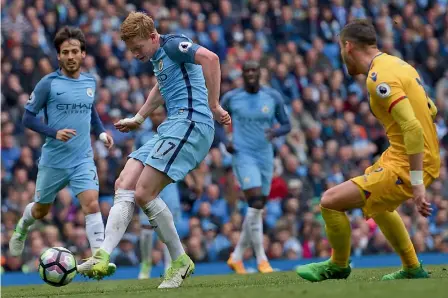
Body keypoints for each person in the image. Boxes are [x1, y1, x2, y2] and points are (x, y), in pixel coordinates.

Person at [77, 12, 231, 289]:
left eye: (138, 48)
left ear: (152, 36)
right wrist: (139, 117)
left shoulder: (173, 45)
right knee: (124, 182)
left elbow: (211, 58)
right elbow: (162, 87)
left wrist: (215, 104)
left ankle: (180, 261)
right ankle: (102, 254)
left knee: (144, 193)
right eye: (131, 49)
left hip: (192, 123)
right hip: (173, 125)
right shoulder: (159, 57)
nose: (135, 54)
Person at [296, 19, 440, 282]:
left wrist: (418, 182)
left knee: (329, 202)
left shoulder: (378, 78)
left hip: (408, 160)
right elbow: (431, 109)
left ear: (349, 46)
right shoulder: (397, 64)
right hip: (403, 153)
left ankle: (338, 265)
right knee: (378, 205)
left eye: (341, 48)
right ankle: (412, 268)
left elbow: (413, 128)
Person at [8, 26, 116, 276]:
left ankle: (99, 258)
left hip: (82, 158)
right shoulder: (49, 83)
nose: (70, 56)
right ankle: (23, 227)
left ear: (83, 54)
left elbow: (91, 111)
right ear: (58, 56)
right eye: (65, 52)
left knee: (91, 204)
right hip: (54, 160)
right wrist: (53, 132)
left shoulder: (90, 81)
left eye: (75, 51)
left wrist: (100, 133)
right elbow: (28, 118)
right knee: (40, 210)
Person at [221, 61, 291, 274]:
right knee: (256, 201)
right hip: (243, 155)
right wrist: (226, 140)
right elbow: (216, 119)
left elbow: (287, 124)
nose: (251, 73)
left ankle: (237, 257)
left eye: (254, 70)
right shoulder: (232, 98)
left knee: (256, 208)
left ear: (259, 73)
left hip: (265, 156)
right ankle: (262, 260)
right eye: (247, 71)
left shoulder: (273, 97)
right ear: (242, 75)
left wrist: (276, 133)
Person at [136, 106, 182, 279]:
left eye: (159, 114)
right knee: (146, 227)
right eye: (153, 115)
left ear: (165, 115)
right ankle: (146, 263)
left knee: (168, 226)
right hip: (149, 185)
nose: (156, 117)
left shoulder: (176, 133)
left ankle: (169, 266)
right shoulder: (143, 137)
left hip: (169, 185)